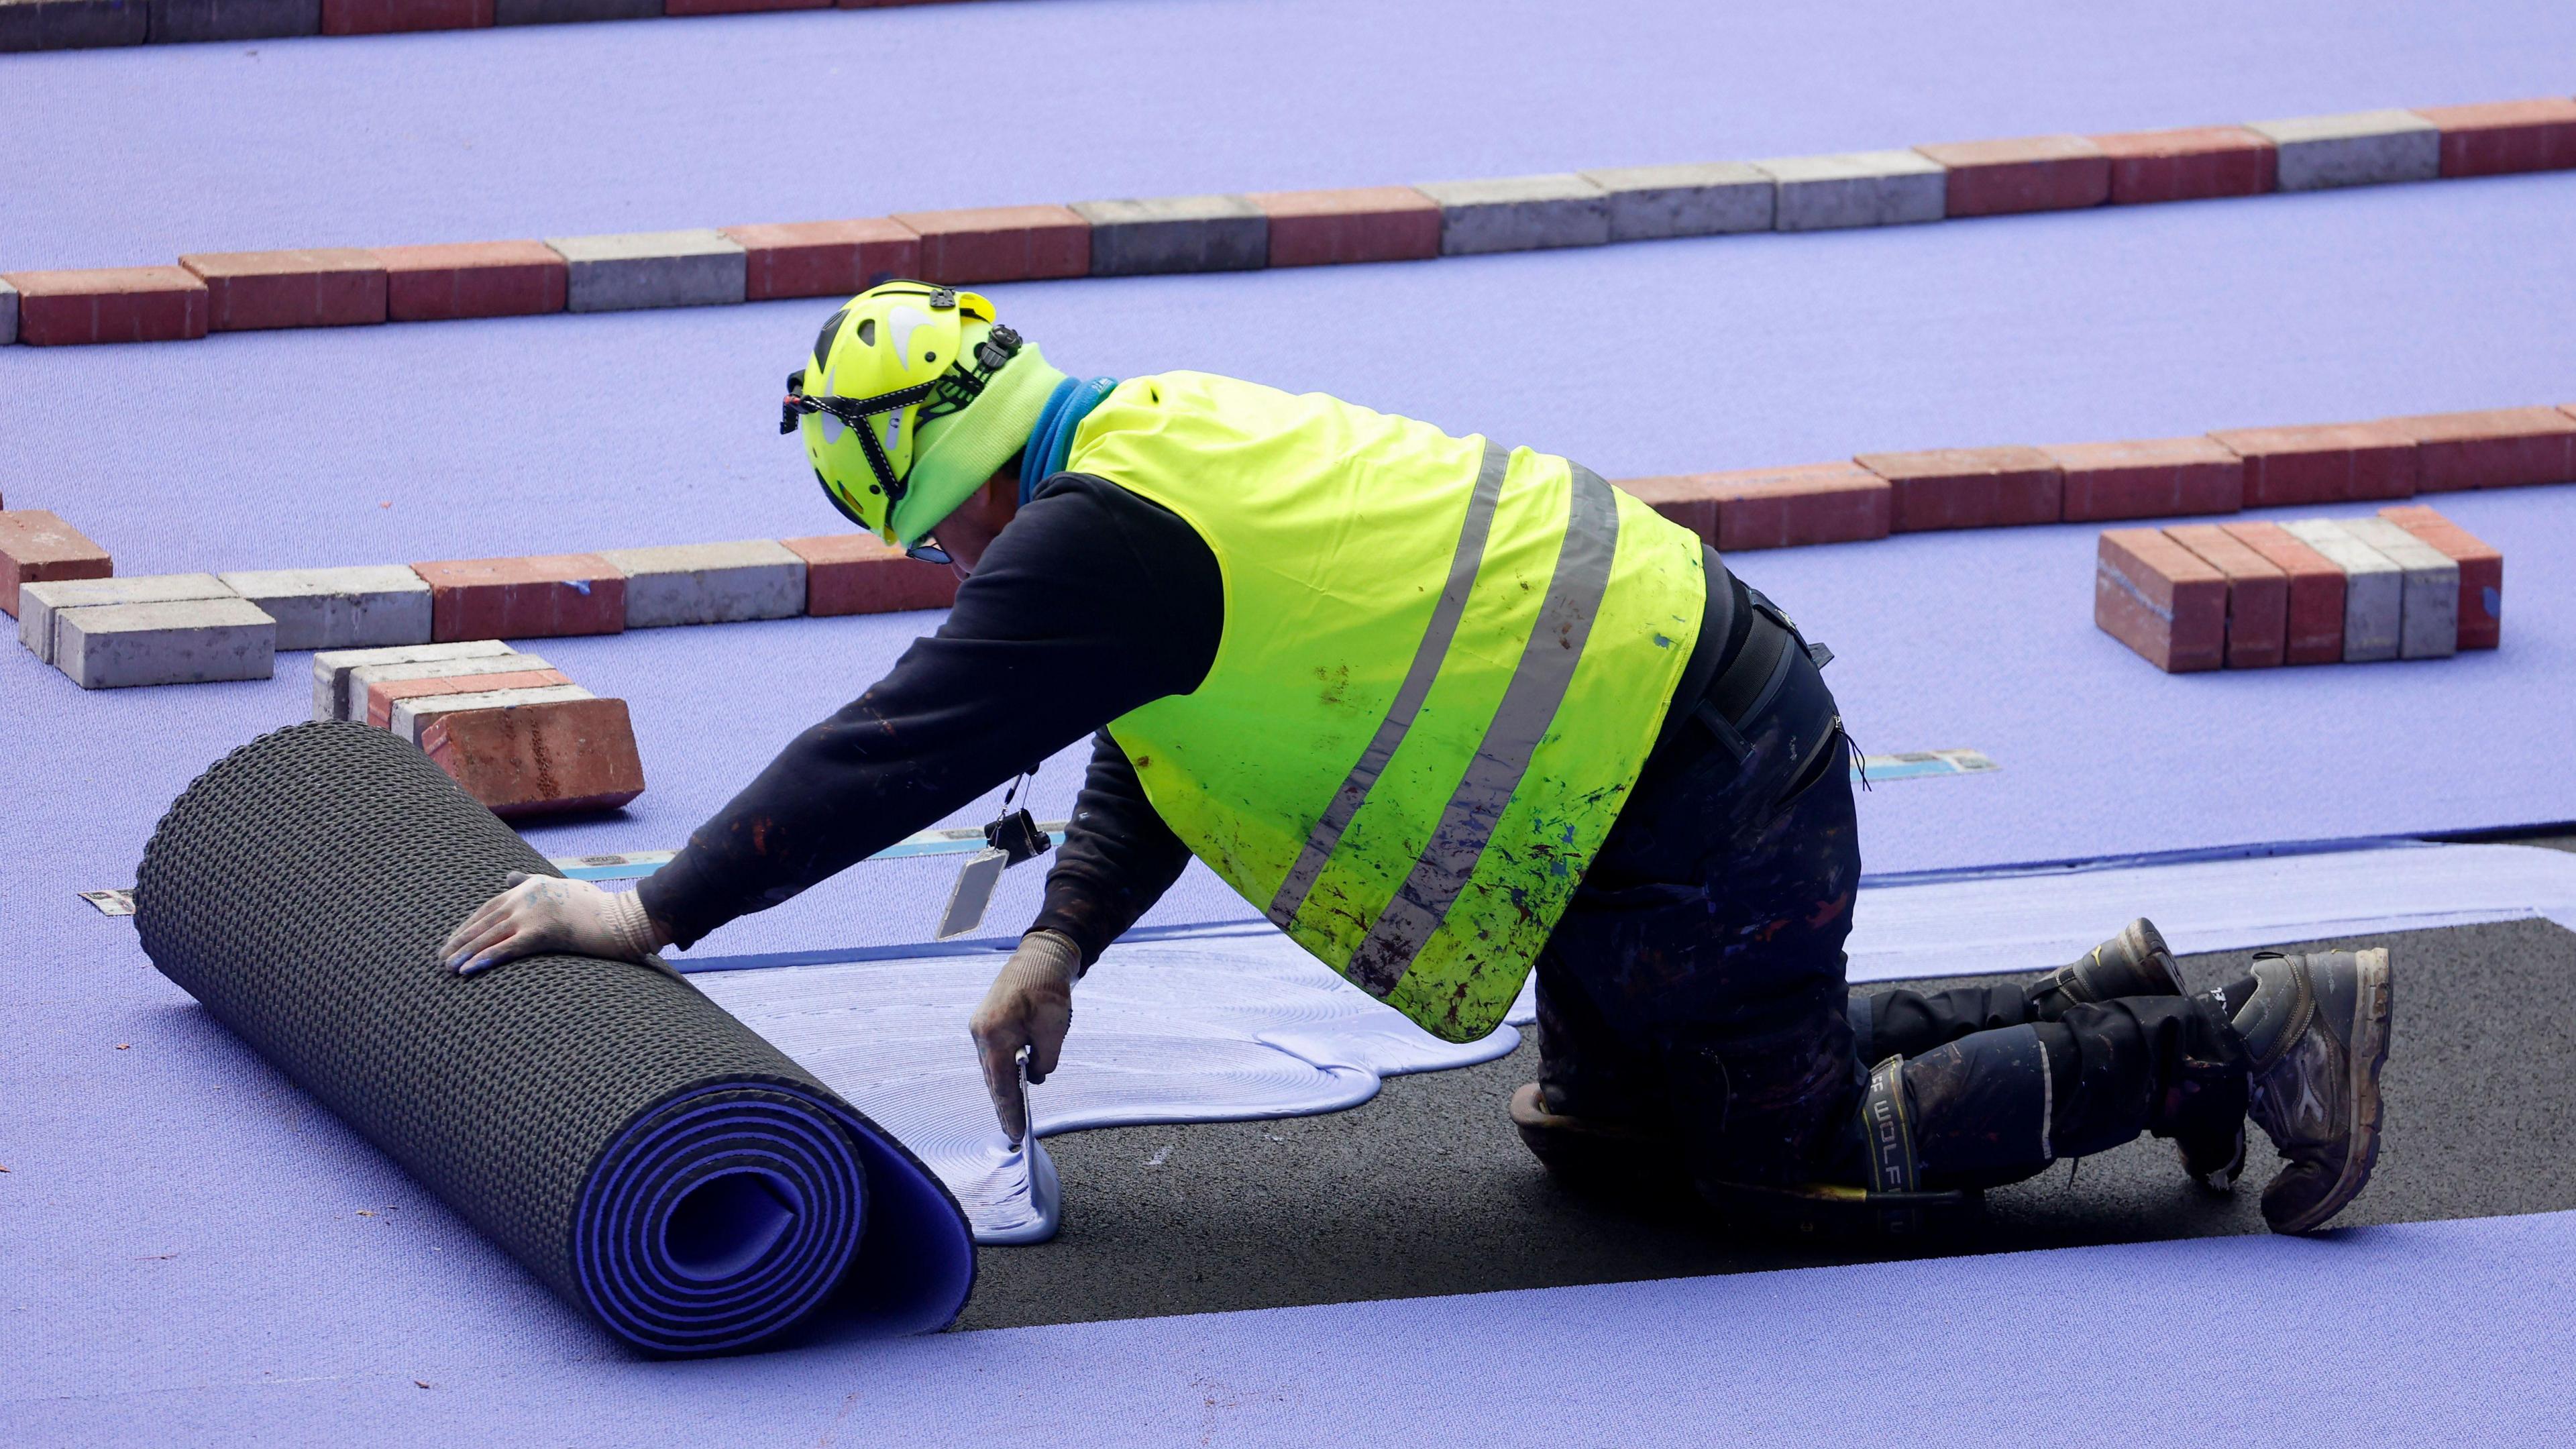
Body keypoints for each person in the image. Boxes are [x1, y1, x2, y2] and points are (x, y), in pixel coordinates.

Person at [439, 281, 2393, 1235]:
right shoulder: (1145, 445)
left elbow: (894, 748)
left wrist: (655, 906)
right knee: (1595, 1129)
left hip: (1703, 793)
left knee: (1777, 1173)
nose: (947, 571)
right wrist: (1066, 942)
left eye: (926, 538)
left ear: (935, 496)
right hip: (1684, 757)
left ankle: (2225, 1042)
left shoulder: (1093, 540)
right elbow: (1178, 720)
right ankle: (2091, 994)